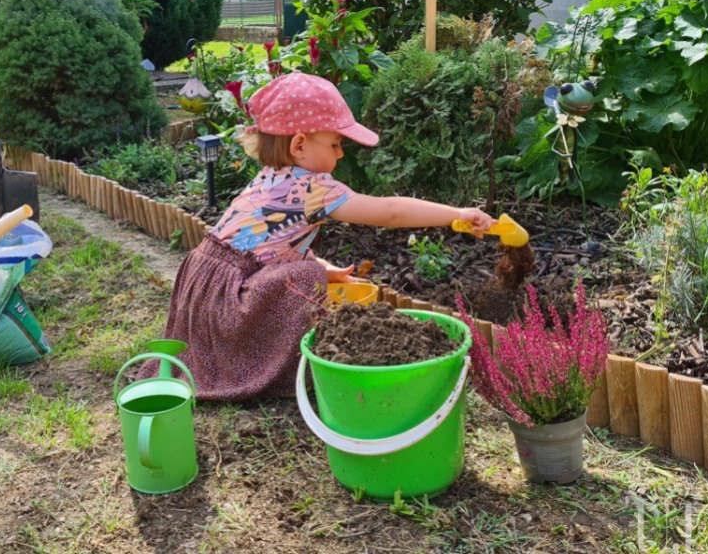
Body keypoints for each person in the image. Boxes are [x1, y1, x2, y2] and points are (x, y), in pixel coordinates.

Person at [138, 71, 494, 402]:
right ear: (299, 145)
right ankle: (265, 367)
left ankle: (220, 358)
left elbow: (270, 245)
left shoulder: (271, 177)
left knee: (309, 270)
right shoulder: (313, 189)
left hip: (204, 287)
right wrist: (456, 215)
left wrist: (324, 268)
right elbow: (389, 212)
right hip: (228, 303)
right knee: (303, 278)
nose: (341, 153)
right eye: (337, 144)